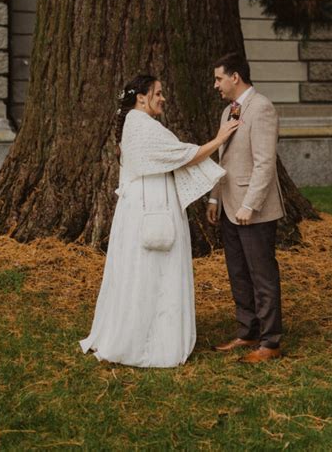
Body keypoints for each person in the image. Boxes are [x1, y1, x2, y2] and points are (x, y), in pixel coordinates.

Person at [80, 74, 239, 368]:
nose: (163, 98)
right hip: (150, 206)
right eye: (158, 93)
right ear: (141, 97)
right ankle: (149, 342)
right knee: (153, 271)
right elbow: (184, 156)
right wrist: (219, 139)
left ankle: (142, 333)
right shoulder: (142, 125)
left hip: (142, 204)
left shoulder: (136, 124)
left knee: (141, 271)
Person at [207, 53, 285, 364]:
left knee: (262, 275)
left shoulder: (262, 107)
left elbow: (265, 163)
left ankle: (271, 342)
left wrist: (250, 205)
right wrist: (214, 197)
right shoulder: (229, 111)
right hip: (228, 206)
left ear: (235, 77)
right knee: (238, 273)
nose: (216, 85)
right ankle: (247, 332)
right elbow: (223, 158)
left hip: (254, 210)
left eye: (218, 78)